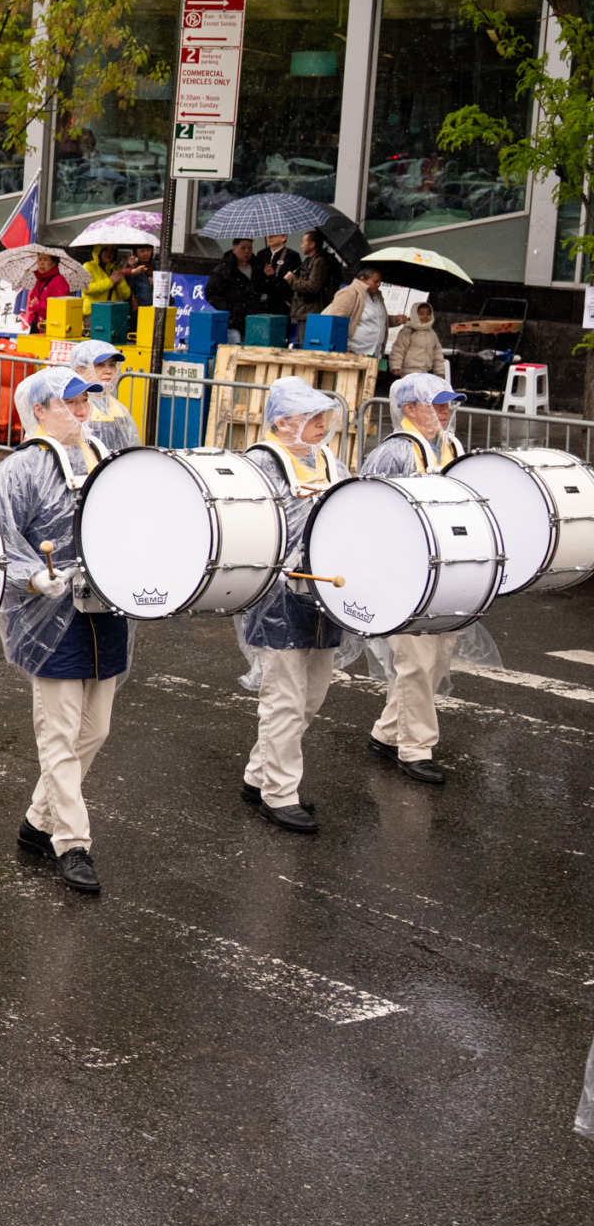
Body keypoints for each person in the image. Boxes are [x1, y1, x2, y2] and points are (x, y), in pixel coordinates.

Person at [0, 368, 130, 895]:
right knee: (60, 735)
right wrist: (32, 576)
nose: (81, 411)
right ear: (39, 410)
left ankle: (37, 820)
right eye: (69, 403)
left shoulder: (103, 455)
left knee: (96, 731)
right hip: (48, 619)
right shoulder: (21, 468)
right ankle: (72, 843)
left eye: (84, 401)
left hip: (105, 610)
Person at [238, 377, 351, 832]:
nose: (322, 424)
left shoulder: (328, 460)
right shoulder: (261, 463)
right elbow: (245, 525)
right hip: (279, 598)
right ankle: (279, 795)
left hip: (324, 593)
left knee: (311, 697)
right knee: (284, 699)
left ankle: (258, 775)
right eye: (311, 416)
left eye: (324, 416)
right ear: (282, 422)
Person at [358, 373, 475, 787]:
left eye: (448, 404)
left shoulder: (452, 446)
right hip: (406, 576)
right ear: (408, 409)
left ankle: (388, 733)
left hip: (447, 572)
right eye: (436, 404)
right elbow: (364, 509)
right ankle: (416, 748)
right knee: (417, 662)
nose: (445, 412)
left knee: (436, 659)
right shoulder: (393, 453)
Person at [67, 339, 142, 453]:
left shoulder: (117, 407)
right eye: (100, 365)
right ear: (80, 370)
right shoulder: (70, 405)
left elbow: (132, 446)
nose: (108, 371)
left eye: (112, 365)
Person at [325, 264, 402, 361]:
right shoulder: (350, 293)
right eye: (375, 281)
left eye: (380, 281)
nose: (379, 284)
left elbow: (377, 320)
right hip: (353, 351)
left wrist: (395, 320)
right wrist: (344, 343)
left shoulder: (377, 296)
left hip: (374, 353)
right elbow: (337, 319)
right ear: (362, 279)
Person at [388, 299, 446, 381]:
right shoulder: (408, 330)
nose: (425, 317)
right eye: (421, 314)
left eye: (428, 314)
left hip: (425, 372)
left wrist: (439, 371)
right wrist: (395, 365)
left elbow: (437, 354)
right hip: (408, 372)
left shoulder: (432, 333)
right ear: (414, 314)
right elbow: (398, 349)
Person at [205, 237, 260, 321]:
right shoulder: (223, 269)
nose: (246, 251)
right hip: (233, 320)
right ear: (234, 249)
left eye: (249, 248)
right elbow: (210, 292)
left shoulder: (258, 268)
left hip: (255, 318)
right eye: (243, 248)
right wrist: (228, 308)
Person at [19, 250, 72, 332]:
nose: (42, 263)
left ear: (54, 263)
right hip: (38, 328)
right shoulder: (40, 280)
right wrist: (31, 320)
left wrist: (37, 305)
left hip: (53, 329)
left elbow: (58, 309)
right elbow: (32, 302)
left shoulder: (59, 281)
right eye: (39, 259)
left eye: (46, 259)